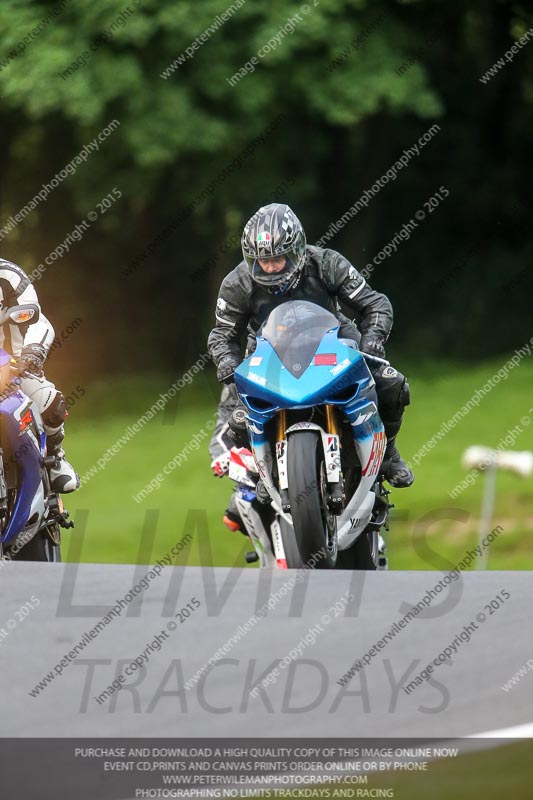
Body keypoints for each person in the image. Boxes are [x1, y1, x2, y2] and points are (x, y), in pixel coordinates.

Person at [207, 203, 413, 530]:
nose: (271, 268)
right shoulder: (237, 283)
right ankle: (262, 473)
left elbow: (375, 304)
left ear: (299, 249)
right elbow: (222, 333)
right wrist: (227, 361)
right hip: (265, 350)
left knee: (391, 382)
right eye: (263, 260)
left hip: (332, 339)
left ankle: (387, 453)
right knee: (237, 416)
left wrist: (372, 339)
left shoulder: (327, 263)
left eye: (278, 258)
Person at [0, 258, 79, 492]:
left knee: (49, 401)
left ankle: (55, 459)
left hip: (12, 368)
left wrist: (32, 353)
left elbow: (37, 320)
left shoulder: (8, 276)